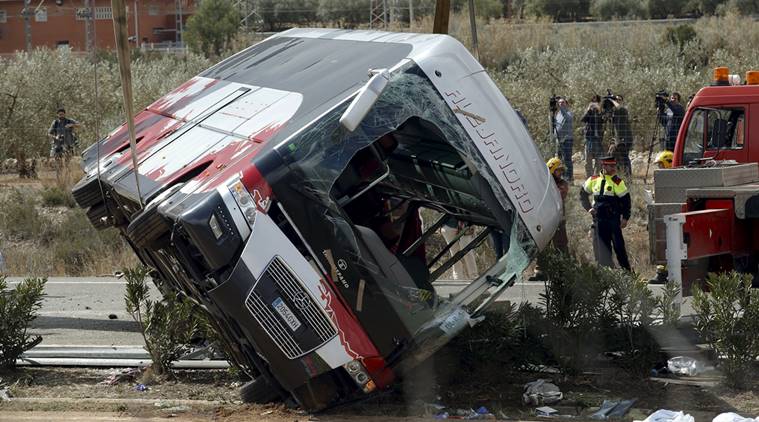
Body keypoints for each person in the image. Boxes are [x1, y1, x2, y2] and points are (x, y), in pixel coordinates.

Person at [580, 156, 631, 270]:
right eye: (611, 166)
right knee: (601, 249)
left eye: (614, 165)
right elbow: (582, 194)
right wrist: (589, 208)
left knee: (619, 248)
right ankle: (606, 275)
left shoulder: (617, 182)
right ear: (604, 166)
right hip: (598, 220)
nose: (613, 168)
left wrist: (625, 218)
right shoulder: (593, 179)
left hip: (613, 220)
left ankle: (628, 275)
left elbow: (626, 201)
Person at [607, 95, 633, 180]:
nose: (617, 101)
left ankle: (628, 177)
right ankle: (619, 177)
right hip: (618, 139)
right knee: (617, 158)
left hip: (625, 138)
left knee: (624, 157)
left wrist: (611, 100)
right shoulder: (614, 112)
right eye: (616, 100)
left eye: (619, 100)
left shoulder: (623, 110)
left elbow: (619, 107)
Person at [547, 157, 569, 253]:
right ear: (552, 171)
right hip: (546, 219)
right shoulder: (544, 183)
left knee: (561, 244)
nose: (560, 173)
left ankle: (564, 265)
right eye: (558, 170)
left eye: (561, 170)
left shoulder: (563, 184)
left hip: (559, 218)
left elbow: (560, 195)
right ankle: (541, 266)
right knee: (544, 244)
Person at [581, 95, 604, 178]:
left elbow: (604, 120)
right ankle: (589, 177)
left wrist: (599, 110)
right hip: (589, 138)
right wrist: (588, 110)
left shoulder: (600, 112)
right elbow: (583, 119)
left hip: (598, 139)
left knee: (599, 160)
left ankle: (598, 177)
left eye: (596, 102)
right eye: (593, 102)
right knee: (588, 160)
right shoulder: (589, 112)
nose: (594, 104)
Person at [554, 97, 574, 182]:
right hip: (559, 140)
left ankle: (569, 178)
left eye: (562, 103)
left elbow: (568, 118)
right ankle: (561, 177)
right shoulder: (558, 114)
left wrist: (561, 109)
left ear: (567, 104)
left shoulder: (569, 113)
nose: (561, 104)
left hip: (567, 140)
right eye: (559, 103)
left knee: (567, 159)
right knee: (559, 159)